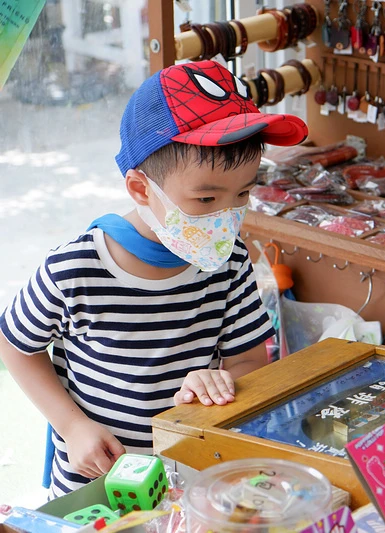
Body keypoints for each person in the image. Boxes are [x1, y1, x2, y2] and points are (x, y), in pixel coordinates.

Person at [0, 60, 308, 497]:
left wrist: (219, 381)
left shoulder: (228, 262)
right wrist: (71, 425)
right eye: (206, 197)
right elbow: (13, 344)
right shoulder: (77, 268)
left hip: (188, 484)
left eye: (243, 193)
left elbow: (250, 361)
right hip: (96, 486)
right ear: (141, 190)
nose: (227, 216)